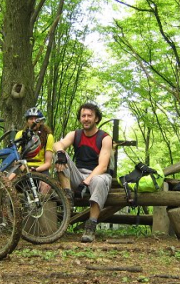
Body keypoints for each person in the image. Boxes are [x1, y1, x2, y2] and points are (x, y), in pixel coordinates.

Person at [53, 102, 113, 243]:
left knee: (99, 180)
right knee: (59, 156)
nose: (86, 119)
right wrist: (61, 153)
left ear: (96, 118)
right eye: (83, 116)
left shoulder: (105, 138)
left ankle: (91, 225)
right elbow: (57, 144)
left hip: (97, 175)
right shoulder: (75, 134)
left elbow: (103, 166)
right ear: (80, 118)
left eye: (89, 116)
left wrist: (85, 183)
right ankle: (68, 197)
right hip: (78, 175)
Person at [14, 107, 54, 175]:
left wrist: (35, 170)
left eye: (36, 119)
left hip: (40, 168)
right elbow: (16, 158)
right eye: (31, 119)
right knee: (8, 179)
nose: (33, 121)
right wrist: (24, 169)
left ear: (40, 122)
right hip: (22, 167)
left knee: (44, 182)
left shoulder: (48, 137)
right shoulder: (20, 134)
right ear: (27, 121)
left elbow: (48, 163)